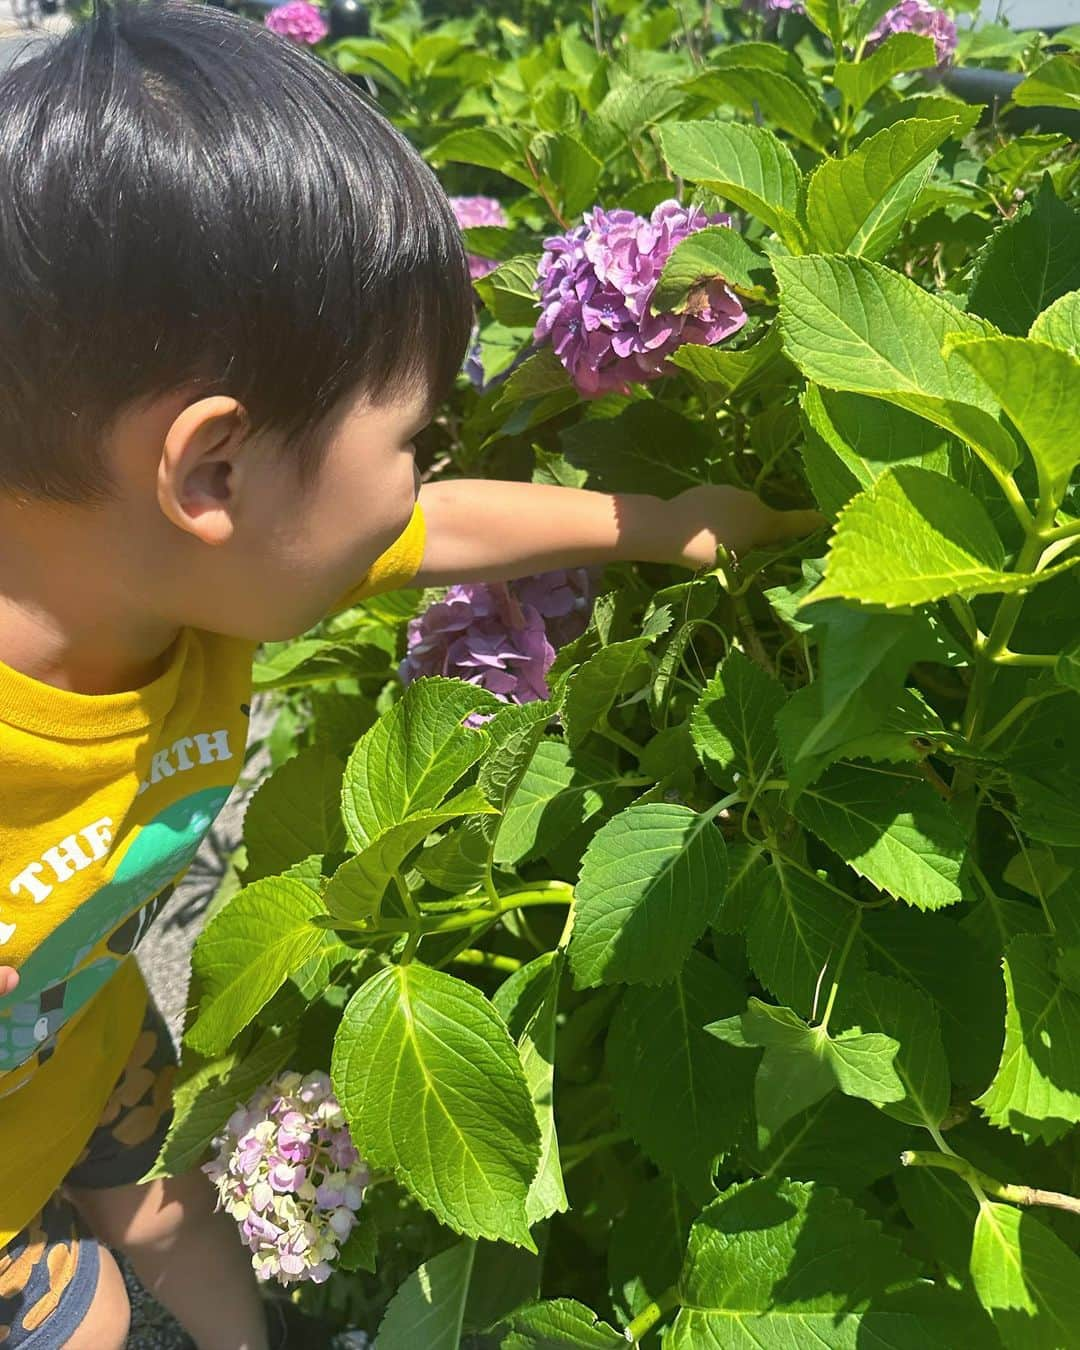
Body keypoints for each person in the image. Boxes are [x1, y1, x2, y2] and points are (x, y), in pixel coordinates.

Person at [0, 2, 819, 1346]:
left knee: (165, 1209)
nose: (422, 479)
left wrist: (662, 523)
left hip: (83, 1027)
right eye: (413, 438)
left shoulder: (171, 573)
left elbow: (425, 534)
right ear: (213, 470)